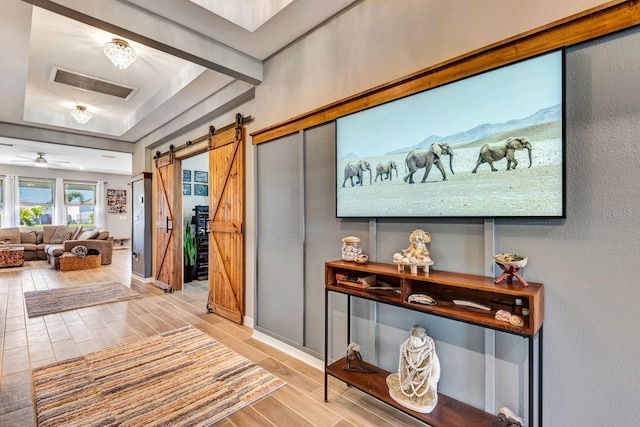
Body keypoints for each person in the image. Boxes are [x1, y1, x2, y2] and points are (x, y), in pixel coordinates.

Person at [386, 325, 440, 413]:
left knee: (428, 399)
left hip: (423, 383)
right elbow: (403, 367)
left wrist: (429, 383)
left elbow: (436, 372)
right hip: (408, 380)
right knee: (391, 380)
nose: (414, 342)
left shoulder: (429, 352)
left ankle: (415, 398)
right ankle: (408, 396)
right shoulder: (406, 348)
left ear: (423, 340)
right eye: (412, 339)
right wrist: (405, 377)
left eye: (416, 340)